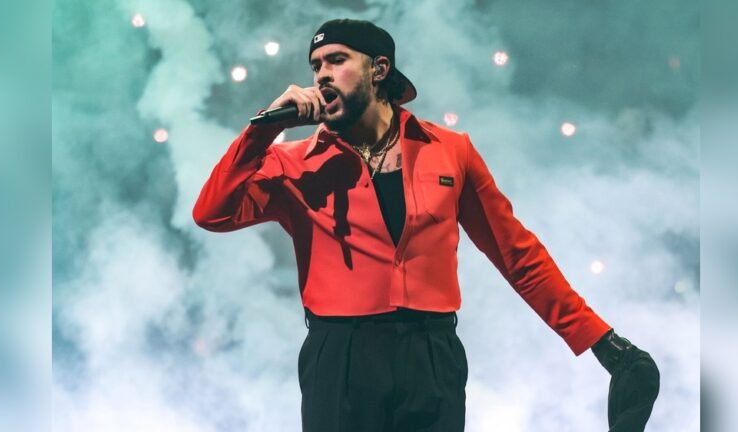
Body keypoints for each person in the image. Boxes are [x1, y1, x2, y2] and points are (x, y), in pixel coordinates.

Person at [193, 18, 659, 432]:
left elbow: (517, 255)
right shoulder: (291, 163)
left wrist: (599, 340)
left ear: (379, 69)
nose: (321, 75)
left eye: (336, 60)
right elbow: (211, 213)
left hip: (431, 356)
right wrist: (261, 130)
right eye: (316, 66)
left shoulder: (451, 151)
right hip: (341, 357)